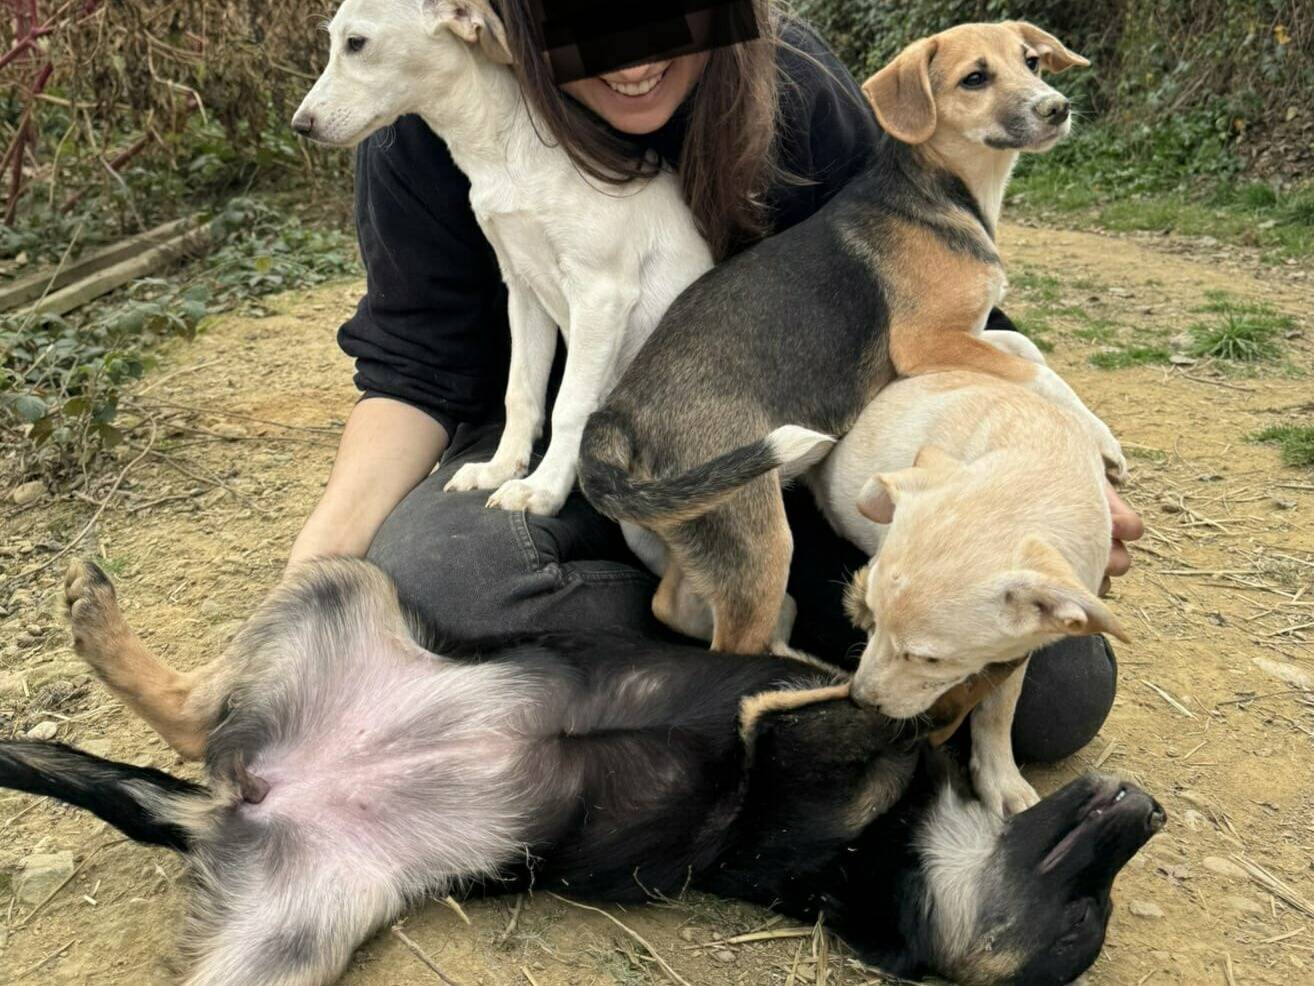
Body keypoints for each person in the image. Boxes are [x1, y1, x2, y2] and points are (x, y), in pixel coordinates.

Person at [287, 0, 1144, 763]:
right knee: (445, 583)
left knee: (1057, 702)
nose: (628, 58)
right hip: (554, 459)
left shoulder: (796, 82)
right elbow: (413, 371)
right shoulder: (422, 122)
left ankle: (660, 660)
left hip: (779, 453)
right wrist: (311, 570)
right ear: (502, 20)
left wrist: (1031, 482)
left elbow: (918, 288)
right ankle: (727, 661)